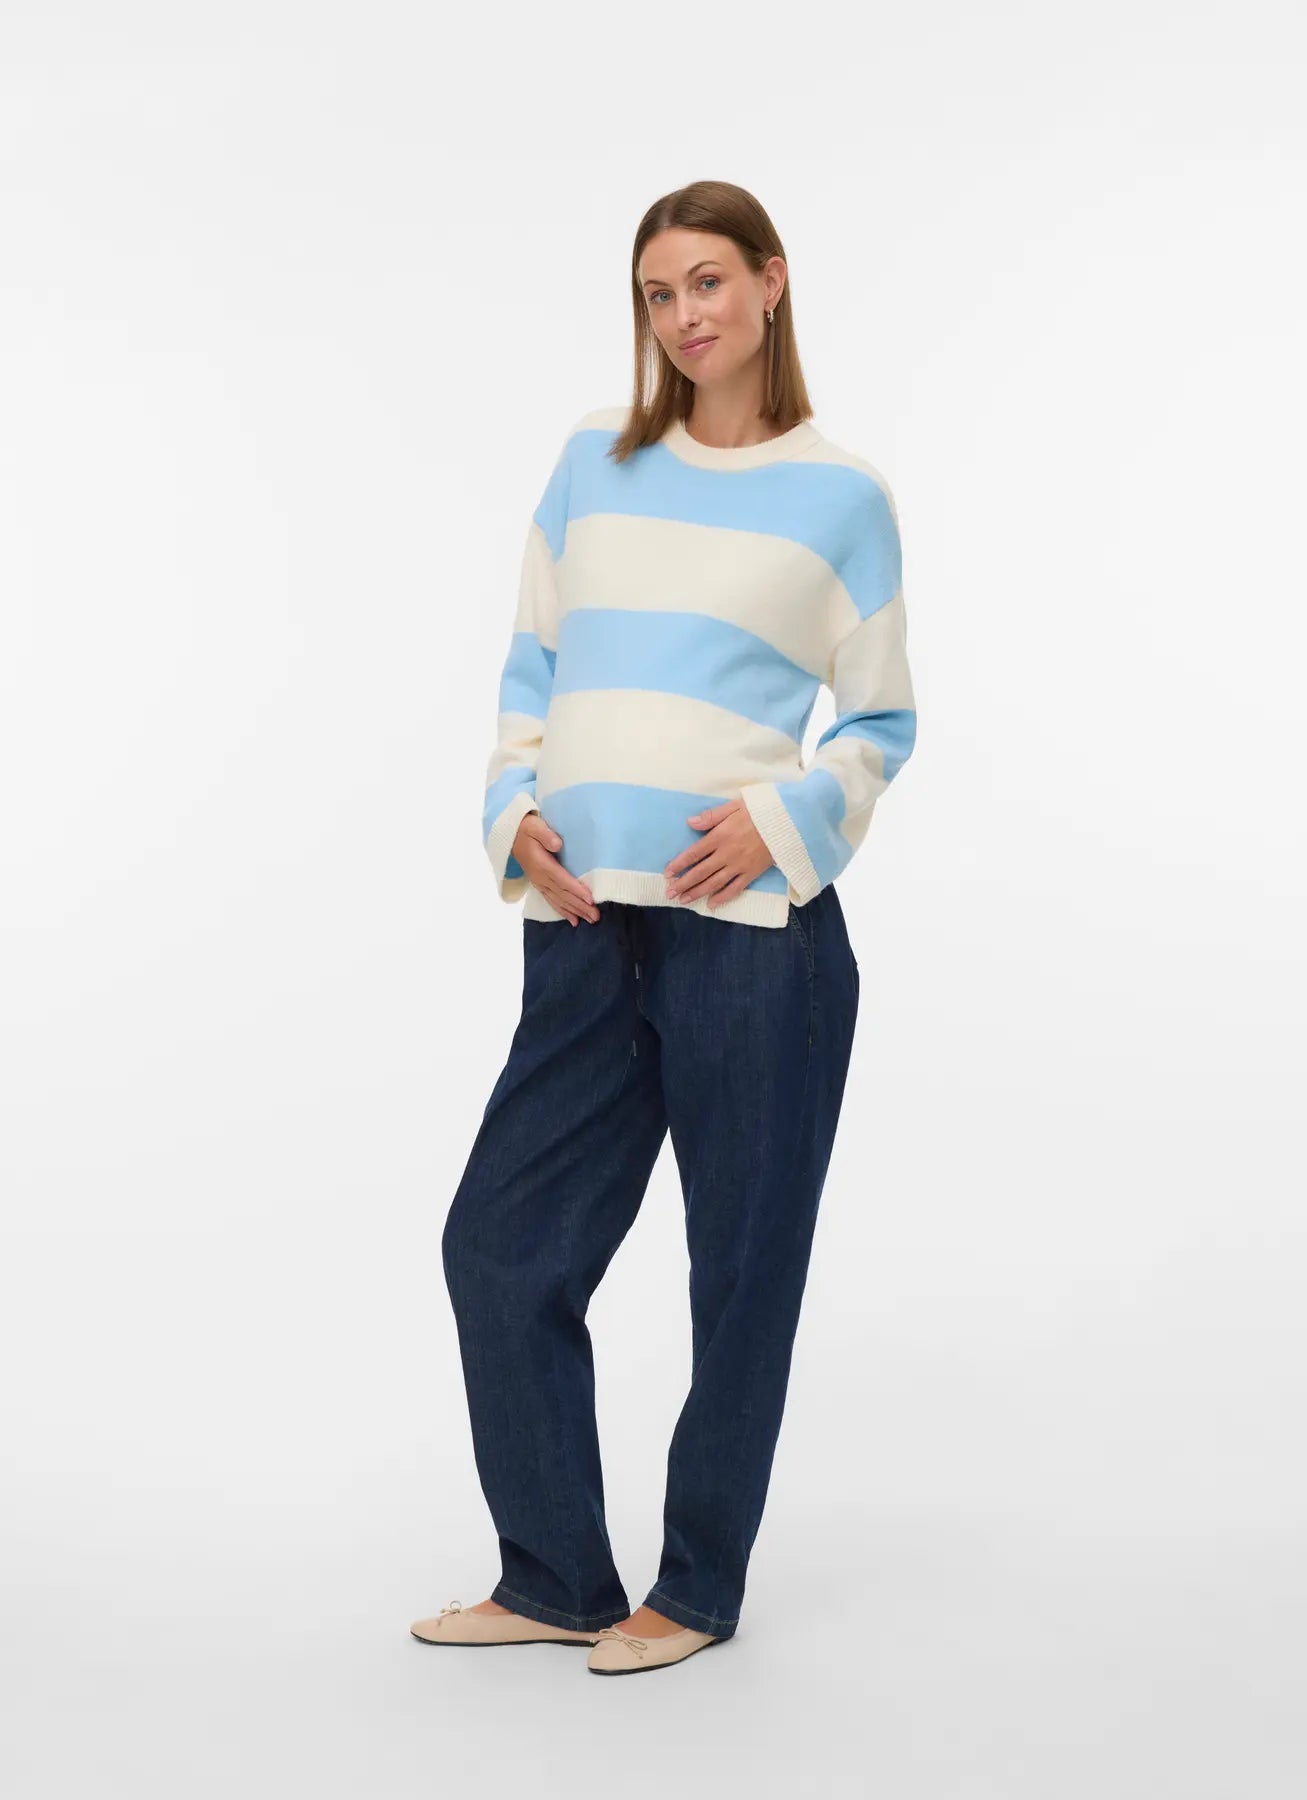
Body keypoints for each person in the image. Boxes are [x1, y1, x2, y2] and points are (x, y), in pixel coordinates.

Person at [410, 179, 917, 1677]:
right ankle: (556, 1575)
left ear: (769, 283)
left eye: (706, 281)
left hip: (751, 941)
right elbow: (532, 662)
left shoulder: (841, 496)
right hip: (582, 924)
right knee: (499, 1248)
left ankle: (694, 1591)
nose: (683, 315)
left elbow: (880, 723)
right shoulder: (594, 463)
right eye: (656, 293)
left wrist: (783, 821)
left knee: (737, 1277)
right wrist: (509, 810)